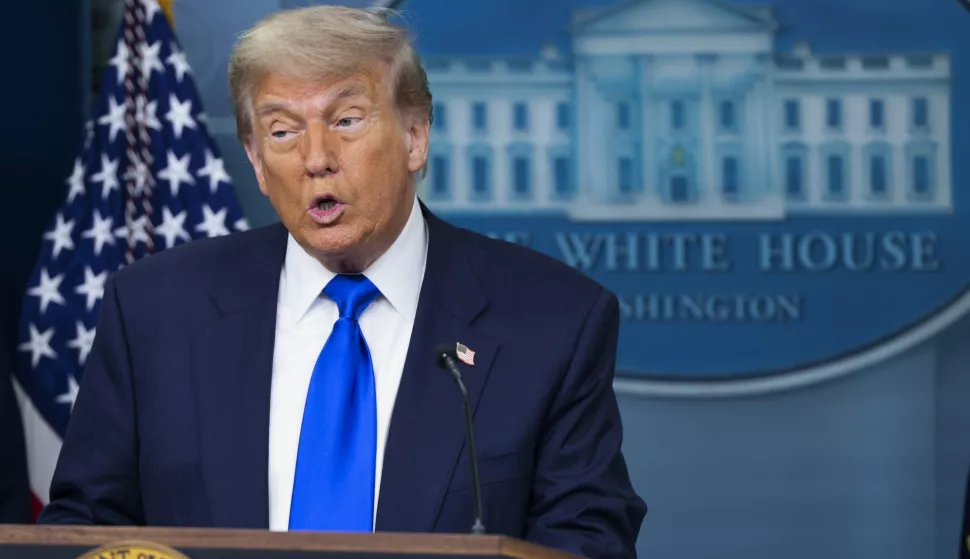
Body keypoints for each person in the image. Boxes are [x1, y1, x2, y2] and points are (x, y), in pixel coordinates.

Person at [38, 5, 646, 558]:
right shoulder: (154, 310)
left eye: (347, 120)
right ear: (254, 158)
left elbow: (588, 539)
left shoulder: (554, 320)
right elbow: (85, 528)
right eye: (282, 130)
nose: (316, 157)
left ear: (415, 137)